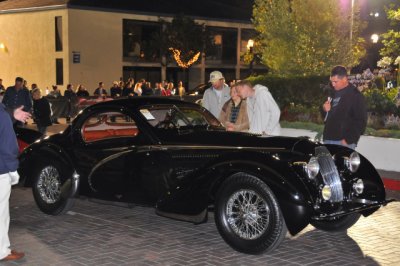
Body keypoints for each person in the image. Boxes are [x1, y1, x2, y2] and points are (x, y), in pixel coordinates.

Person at [0, 104, 30, 262]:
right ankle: (1, 251)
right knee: (1, 214)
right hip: (0, 171)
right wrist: (13, 170)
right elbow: (8, 147)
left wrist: (11, 114)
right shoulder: (2, 116)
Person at [322, 66, 367, 149]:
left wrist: (348, 140)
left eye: (336, 81)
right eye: (331, 81)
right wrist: (324, 109)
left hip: (344, 142)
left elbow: (361, 121)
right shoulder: (331, 92)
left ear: (345, 79)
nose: (333, 84)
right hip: (328, 138)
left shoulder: (355, 95)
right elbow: (327, 115)